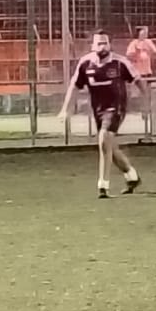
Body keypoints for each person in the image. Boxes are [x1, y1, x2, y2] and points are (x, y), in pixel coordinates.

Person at [59, 31, 144, 197]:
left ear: (110, 45)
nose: (102, 46)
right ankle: (132, 176)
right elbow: (74, 86)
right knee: (108, 145)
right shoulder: (85, 63)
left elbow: (138, 80)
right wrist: (65, 109)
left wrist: (146, 102)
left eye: (105, 43)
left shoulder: (120, 62)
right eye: (99, 43)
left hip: (116, 108)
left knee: (104, 138)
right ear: (92, 45)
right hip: (98, 110)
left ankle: (103, 185)